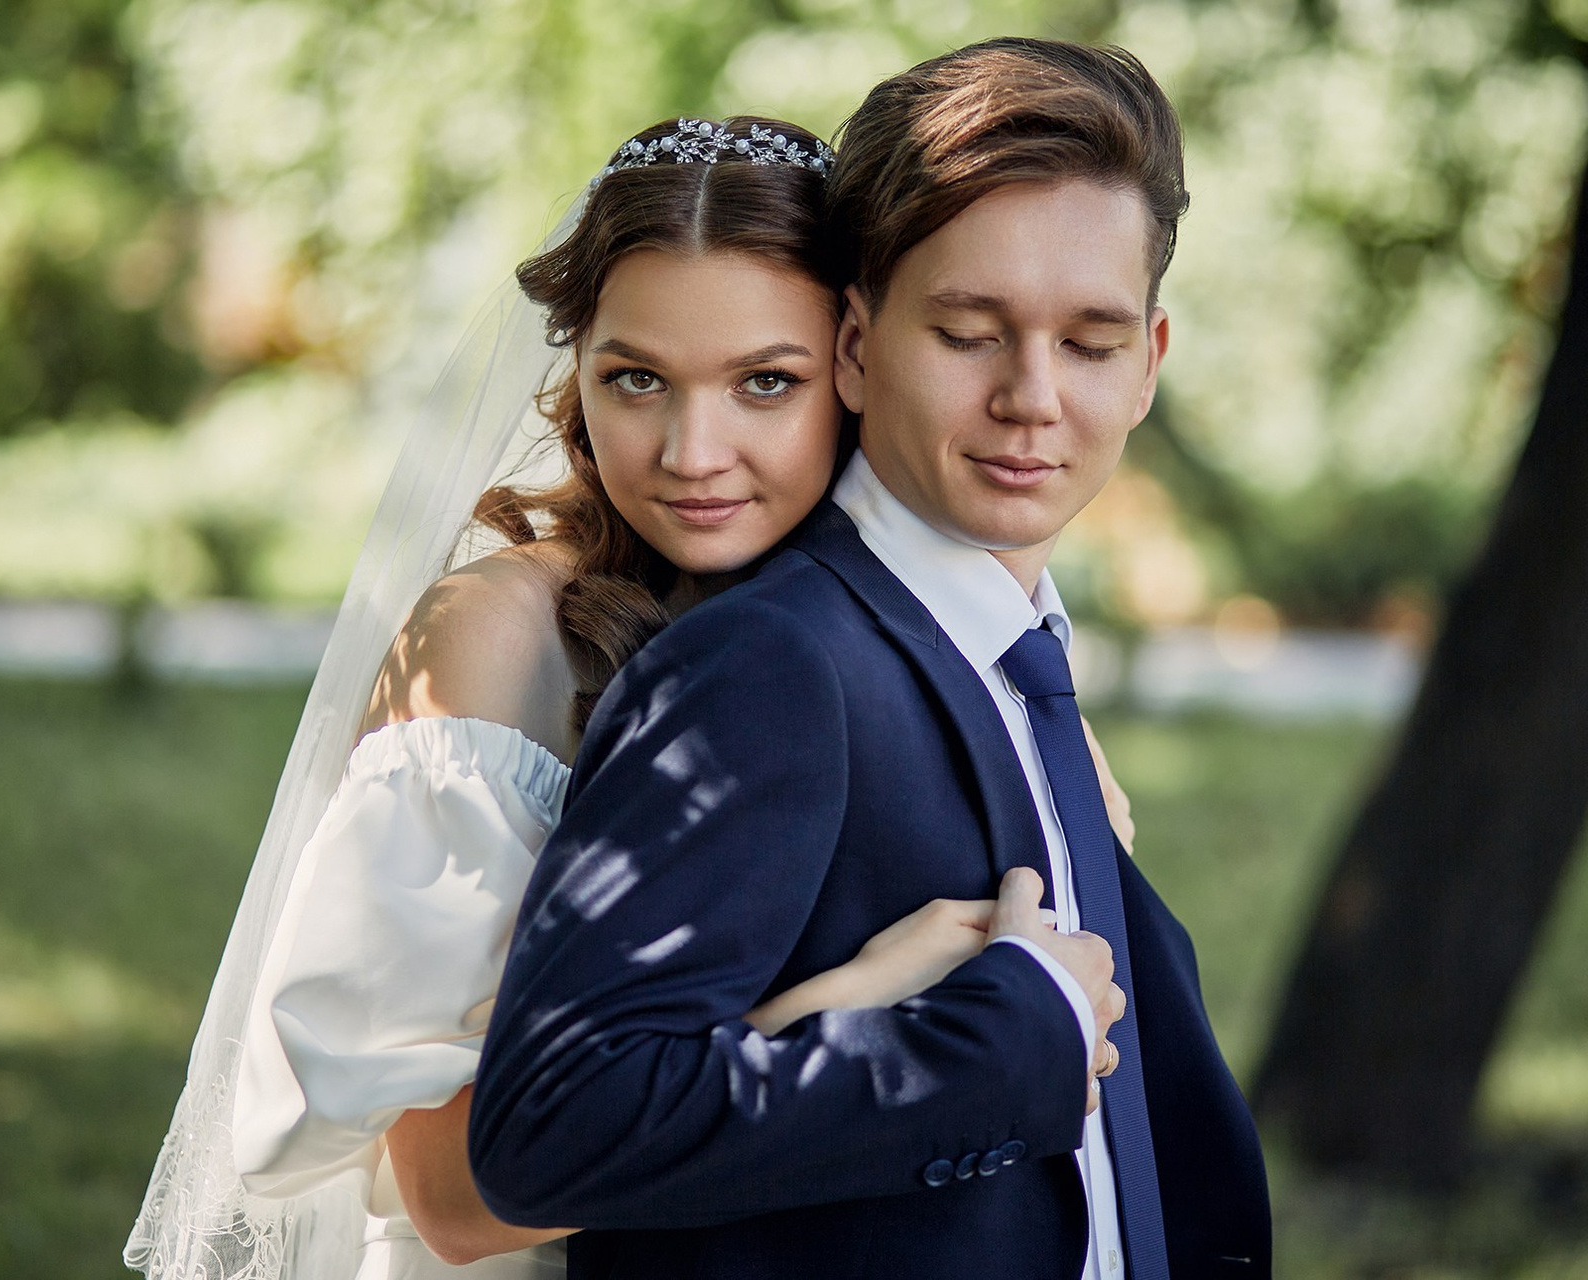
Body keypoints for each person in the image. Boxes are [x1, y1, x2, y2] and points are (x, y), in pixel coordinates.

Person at [126, 112, 1141, 1280]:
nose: (692, 451)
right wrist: (858, 1008)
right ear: (578, 373)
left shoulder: (911, 641)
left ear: (858, 363)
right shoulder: (498, 639)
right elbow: (452, 1194)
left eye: (766, 382)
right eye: (638, 379)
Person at [468, 39, 1272, 1280]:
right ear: (854, 345)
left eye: (1091, 343)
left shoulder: (1018, 663)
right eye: (969, 333)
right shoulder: (769, 665)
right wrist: (989, 1050)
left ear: (1151, 363)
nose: (1032, 396)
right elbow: (547, 1130)